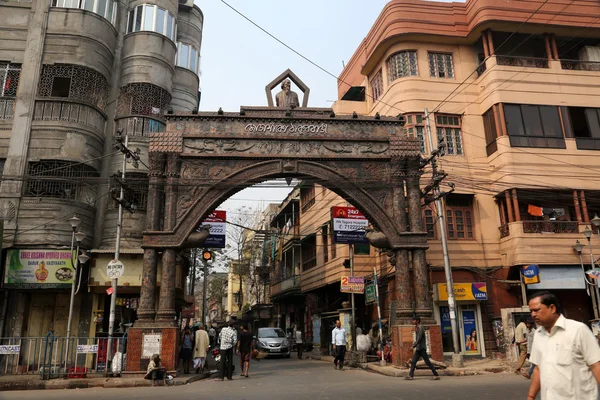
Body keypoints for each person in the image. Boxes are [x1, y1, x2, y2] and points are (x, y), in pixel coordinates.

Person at [527, 291, 600, 400]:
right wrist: (531, 396)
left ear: (552, 308)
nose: (533, 315)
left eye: (537, 310)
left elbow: (596, 365)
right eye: (531, 311)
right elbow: (538, 369)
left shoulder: (578, 330)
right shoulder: (538, 335)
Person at [405, 316, 440, 381]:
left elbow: (419, 339)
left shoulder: (420, 328)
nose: (413, 322)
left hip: (422, 348)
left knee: (427, 362)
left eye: (414, 320)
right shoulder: (417, 328)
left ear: (417, 321)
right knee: (413, 362)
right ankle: (411, 375)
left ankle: (436, 375)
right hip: (418, 349)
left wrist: (413, 346)